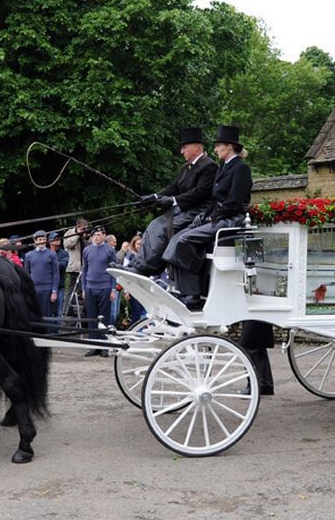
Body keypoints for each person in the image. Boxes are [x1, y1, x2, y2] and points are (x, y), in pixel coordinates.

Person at [161, 125, 252, 306]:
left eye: (218, 145)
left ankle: (192, 293)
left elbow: (234, 201)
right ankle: (183, 288)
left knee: (184, 240)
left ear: (230, 146)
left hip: (231, 219)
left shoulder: (240, 168)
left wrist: (213, 216)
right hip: (218, 216)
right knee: (177, 237)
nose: (215, 149)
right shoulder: (222, 168)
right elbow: (214, 199)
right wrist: (204, 215)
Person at [127, 127, 218, 277]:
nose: (182, 152)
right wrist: (155, 197)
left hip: (198, 212)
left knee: (161, 228)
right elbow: (174, 187)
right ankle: (137, 264)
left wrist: (173, 200)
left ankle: (146, 268)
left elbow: (201, 192)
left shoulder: (210, 166)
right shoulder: (185, 167)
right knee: (153, 225)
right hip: (183, 211)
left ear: (196, 146)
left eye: (184, 147)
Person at [81, 226, 117, 356]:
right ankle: (93, 345)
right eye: (95, 235)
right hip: (90, 286)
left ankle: (104, 346)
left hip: (105, 286)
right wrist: (83, 288)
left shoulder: (109, 250)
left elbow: (114, 271)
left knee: (104, 317)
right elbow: (84, 269)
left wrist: (113, 289)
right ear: (91, 237)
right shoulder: (87, 250)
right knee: (92, 317)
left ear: (104, 235)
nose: (97, 237)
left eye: (99, 234)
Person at [24, 230, 59, 329]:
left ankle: (47, 336)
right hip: (34, 289)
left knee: (46, 315)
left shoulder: (52, 254)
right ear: (35, 241)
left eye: (44, 239)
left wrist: (54, 291)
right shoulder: (29, 255)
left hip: (47, 289)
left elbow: (56, 273)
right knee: (34, 313)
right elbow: (26, 274)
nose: (42, 241)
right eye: (40, 239)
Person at [62, 217, 90, 319]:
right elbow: (67, 244)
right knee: (71, 290)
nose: (84, 230)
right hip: (75, 267)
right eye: (83, 228)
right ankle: (66, 311)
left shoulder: (85, 234)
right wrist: (77, 235)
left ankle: (81, 313)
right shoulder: (70, 233)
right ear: (77, 227)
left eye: (85, 228)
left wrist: (86, 236)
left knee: (83, 292)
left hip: (85, 267)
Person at [49, 232, 67, 325]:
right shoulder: (46, 252)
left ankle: (57, 332)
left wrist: (50, 263)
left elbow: (63, 265)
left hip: (59, 286)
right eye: (55, 239)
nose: (57, 241)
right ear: (50, 241)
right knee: (47, 311)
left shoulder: (64, 253)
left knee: (58, 311)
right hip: (47, 286)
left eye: (58, 239)